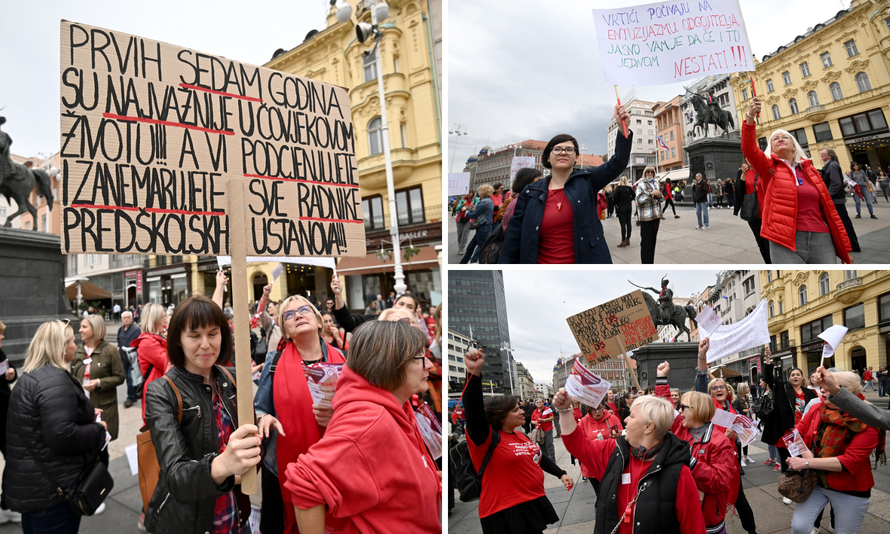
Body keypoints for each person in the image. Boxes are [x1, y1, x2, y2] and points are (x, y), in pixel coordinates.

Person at [285, 320, 441, 533]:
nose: (429, 365)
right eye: (419, 357)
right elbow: (305, 483)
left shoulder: (395, 406)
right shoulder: (371, 420)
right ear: (389, 363)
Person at [143, 296, 260, 534]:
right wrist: (225, 465)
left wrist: (263, 421)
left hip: (235, 515)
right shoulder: (162, 391)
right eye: (194, 336)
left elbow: (251, 446)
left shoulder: (233, 378)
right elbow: (176, 477)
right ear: (178, 340)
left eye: (213, 333)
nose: (206, 344)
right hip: (191, 522)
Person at [253, 295, 347, 533]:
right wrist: (263, 418)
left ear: (318, 321)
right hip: (281, 467)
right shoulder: (274, 362)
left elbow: (357, 410)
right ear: (285, 330)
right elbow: (259, 407)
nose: (297, 315)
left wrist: (336, 417)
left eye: (304, 310)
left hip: (336, 464)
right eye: (288, 314)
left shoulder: (345, 361)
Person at [451, 347, 570, 533]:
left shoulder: (520, 435)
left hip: (531, 502)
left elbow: (538, 457)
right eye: (515, 409)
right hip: (505, 511)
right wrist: (473, 373)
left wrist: (561, 473)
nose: (522, 411)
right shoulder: (485, 439)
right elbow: (474, 409)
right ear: (499, 416)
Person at [554, 388, 706, 534]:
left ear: (648, 427)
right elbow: (577, 445)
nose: (625, 419)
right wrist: (565, 410)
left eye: (632, 416)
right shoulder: (615, 451)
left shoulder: (680, 475)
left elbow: (694, 529)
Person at [4, 320, 107, 533]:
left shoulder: (31, 377)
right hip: (53, 492)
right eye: (71, 341)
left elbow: (41, 424)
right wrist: (99, 430)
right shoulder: (55, 381)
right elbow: (62, 434)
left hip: (34, 488)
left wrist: (82, 415)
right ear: (60, 348)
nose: (74, 345)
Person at [499, 104, 632, 264]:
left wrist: (622, 127)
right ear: (548, 158)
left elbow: (617, 162)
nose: (563, 152)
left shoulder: (588, 181)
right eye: (557, 149)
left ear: (576, 157)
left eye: (569, 150)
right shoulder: (530, 192)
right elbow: (513, 238)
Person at [742, 96, 852, 263]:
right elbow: (748, 148)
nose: (780, 139)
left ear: (794, 146)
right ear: (771, 148)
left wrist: (845, 249)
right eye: (775, 138)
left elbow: (830, 211)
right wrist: (751, 116)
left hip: (821, 237)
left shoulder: (811, 171)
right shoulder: (769, 169)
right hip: (783, 239)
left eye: (785, 137)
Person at [787, 370, 881, 534]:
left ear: (847, 391)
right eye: (821, 385)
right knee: (799, 527)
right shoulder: (817, 409)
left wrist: (806, 462)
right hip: (815, 482)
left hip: (850, 488)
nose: (821, 390)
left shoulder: (868, 420)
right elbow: (791, 436)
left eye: (827, 385)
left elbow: (849, 461)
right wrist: (805, 452)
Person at [671, 387, 739, 534]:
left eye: (683, 407)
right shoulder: (680, 431)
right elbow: (664, 407)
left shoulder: (720, 442)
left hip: (707, 520)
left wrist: (691, 462)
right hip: (681, 515)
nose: (679, 411)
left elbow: (720, 482)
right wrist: (661, 377)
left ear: (698, 410)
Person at [70, 314, 125, 477]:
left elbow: (120, 377)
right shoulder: (77, 349)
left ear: (96, 328)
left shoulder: (109, 350)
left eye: (84, 327)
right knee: (84, 449)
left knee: (101, 449)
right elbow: (72, 375)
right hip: (81, 408)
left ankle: (97, 487)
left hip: (102, 408)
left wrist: (99, 382)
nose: (80, 330)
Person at [762, 346, 817, 485]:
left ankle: (800, 486)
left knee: (802, 462)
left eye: (798, 374)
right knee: (787, 462)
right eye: (792, 375)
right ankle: (787, 487)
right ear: (790, 378)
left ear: (802, 376)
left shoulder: (810, 393)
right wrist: (768, 359)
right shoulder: (783, 388)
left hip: (803, 434)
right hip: (786, 433)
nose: (795, 376)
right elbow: (769, 378)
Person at [812, 365, 890, 430]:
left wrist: (835, 390)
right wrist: (834, 390)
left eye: (828, 386)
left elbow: (879, 418)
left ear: (849, 390)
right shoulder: (815, 408)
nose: (822, 390)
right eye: (822, 387)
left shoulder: (866, 427)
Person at [131, 302, 170, 424]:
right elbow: (169, 364)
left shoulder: (157, 338)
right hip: (157, 394)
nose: (166, 319)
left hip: (161, 391)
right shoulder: (148, 342)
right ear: (154, 319)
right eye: (162, 316)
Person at [575, 400, 623, 492]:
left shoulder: (612, 418)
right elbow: (579, 443)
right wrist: (593, 444)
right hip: (593, 463)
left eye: (600, 408)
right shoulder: (583, 422)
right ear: (589, 410)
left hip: (611, 460)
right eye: (593, 410)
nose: (597, 412)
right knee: (600, 492)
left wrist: (618, 436)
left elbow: (623, 436)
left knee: (613, 491)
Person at [820, 148, 861, 253]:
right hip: (835, 198)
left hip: (835, 199)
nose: (821, 155)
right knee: (842, 222)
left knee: (843, 222)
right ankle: (849, 244)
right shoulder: (831, 164)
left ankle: (853, 244)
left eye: (823, 153)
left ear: (830, 155)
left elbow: (836, 183)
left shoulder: (832, 165)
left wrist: (827, 196)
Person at [0, 321, 20, 524]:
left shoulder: (0, 352)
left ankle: (6, 504)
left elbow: (8, 367)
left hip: (4, 417)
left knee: (12, 457)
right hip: (2, 416)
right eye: (0, 334)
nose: (2, 337)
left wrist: (12, 373)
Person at [460, 184, 496, 264]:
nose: (478, 193)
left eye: (479, 192)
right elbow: (483, 213)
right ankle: (463, 263)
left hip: (483, 227)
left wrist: (465, 210)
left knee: (482, 249)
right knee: (471, 247)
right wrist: (475, 209)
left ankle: (483, 264)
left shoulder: (483, 202)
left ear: (482, 192)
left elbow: (473, 215)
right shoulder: (489, 201)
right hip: (486, 226)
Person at [636, 166, 664, 264]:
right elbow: (639, 200)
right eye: (648, 172)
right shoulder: (641, 184)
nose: (650, 173)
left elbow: (661, 200)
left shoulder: (656, 183)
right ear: (645, 173)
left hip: (656, 216)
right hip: (646, 217)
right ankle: (645, 263)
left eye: (652, 172)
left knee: (652, 242)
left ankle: (650, 262)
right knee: (646, 243)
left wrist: (660, 196)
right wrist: (651, 194)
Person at [118, 310, 142, 408]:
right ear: (122, 319)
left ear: (132, 318)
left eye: (128, 317)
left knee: (130, 378)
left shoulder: (136, 330)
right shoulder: (120, 329)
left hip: (133, 358)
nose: (127, 319)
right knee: (129, 378)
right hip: (123, 358)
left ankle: (130, 397)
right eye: (125, 317)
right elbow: (119, 342)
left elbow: (139, 343)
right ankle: (134, 394)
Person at [734, 382, 754, 465]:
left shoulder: (746, 397)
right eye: (747, 387)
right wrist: (743, 411)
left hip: (747, 419)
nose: (748, 389)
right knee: (740, 440)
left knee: (747, 438)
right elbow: (736, 410)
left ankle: (745, 456)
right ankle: (740, 458)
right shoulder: (737, 399)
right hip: (741, 421)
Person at [613, 175, 635, 248]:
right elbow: (634, 195)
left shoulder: (619, 188)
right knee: (628, 223)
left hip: (621, 207)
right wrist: (629, 200)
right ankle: (628, 239)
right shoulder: (629, 188)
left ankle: (623, 241)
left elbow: (615, 197)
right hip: (628, 206)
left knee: (623, 224)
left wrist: (615, 203)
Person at [531, 398, 555, 462]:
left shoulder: (547, 409)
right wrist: (535, 422)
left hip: (547, 429)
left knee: (549, 444)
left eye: (540, 402)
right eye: (537, 402)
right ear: (535, 404)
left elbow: (552, 418)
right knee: (541, 444)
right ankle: (546, 460)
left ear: (543, 403)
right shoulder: (534, 411)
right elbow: (532, 421)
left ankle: (552, 460)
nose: (539, 403)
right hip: (539, 430)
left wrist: (543, 420)